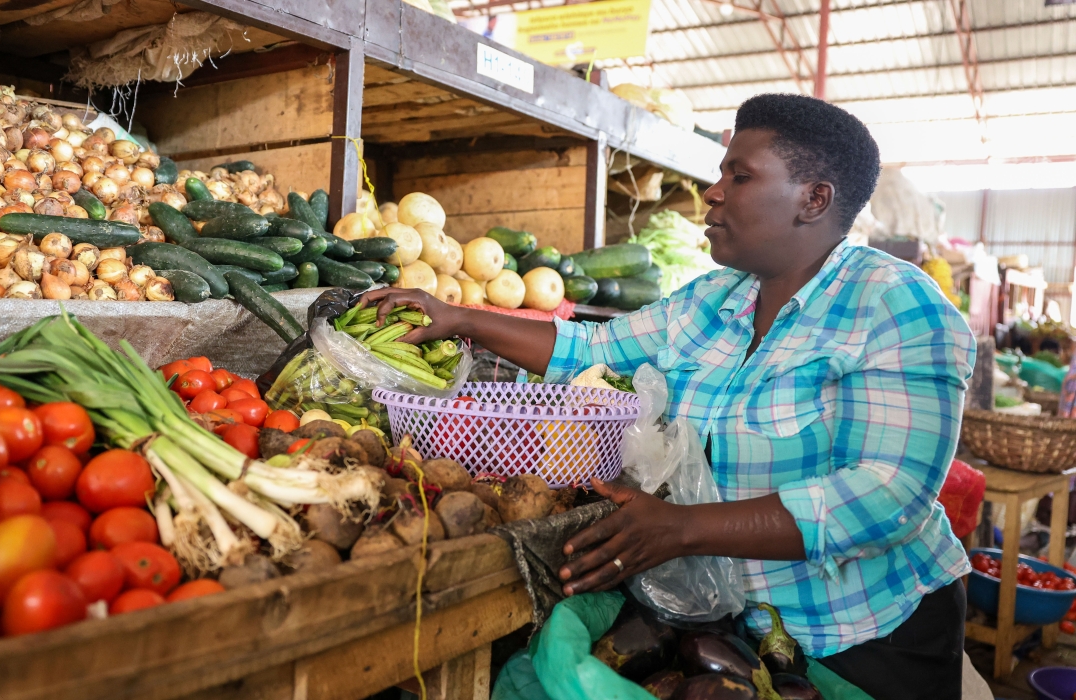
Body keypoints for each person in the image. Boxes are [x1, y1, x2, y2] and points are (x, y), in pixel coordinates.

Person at [360, 93, 975, 700]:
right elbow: (592, 350)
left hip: (862, 635)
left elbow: (887, 493)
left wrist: (683, 529)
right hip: (733, 628)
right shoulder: (716, 297)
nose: (713, 192)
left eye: (740, 175)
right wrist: (460, 318)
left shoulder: (896, 306)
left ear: (814, 199)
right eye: (720, 173)